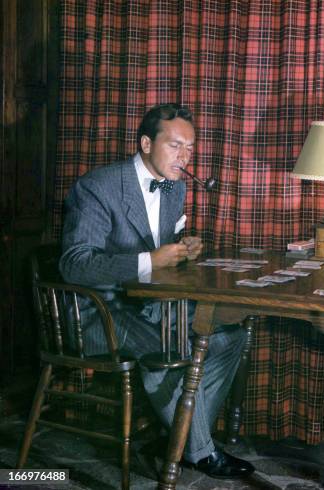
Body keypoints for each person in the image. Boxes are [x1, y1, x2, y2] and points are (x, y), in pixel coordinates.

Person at [59, 103, 254, 479]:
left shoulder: (175, 187)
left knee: (231, 338)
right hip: (96, 313)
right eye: (175, 145)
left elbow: (159, 247)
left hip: (146, 308)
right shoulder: (98, 187)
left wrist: (183, 250)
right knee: (171, 349)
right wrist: (152, 259)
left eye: (191, 148)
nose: (185, 157)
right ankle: (200, 452)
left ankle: (178, 438)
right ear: (146, 143)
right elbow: (75, 264)